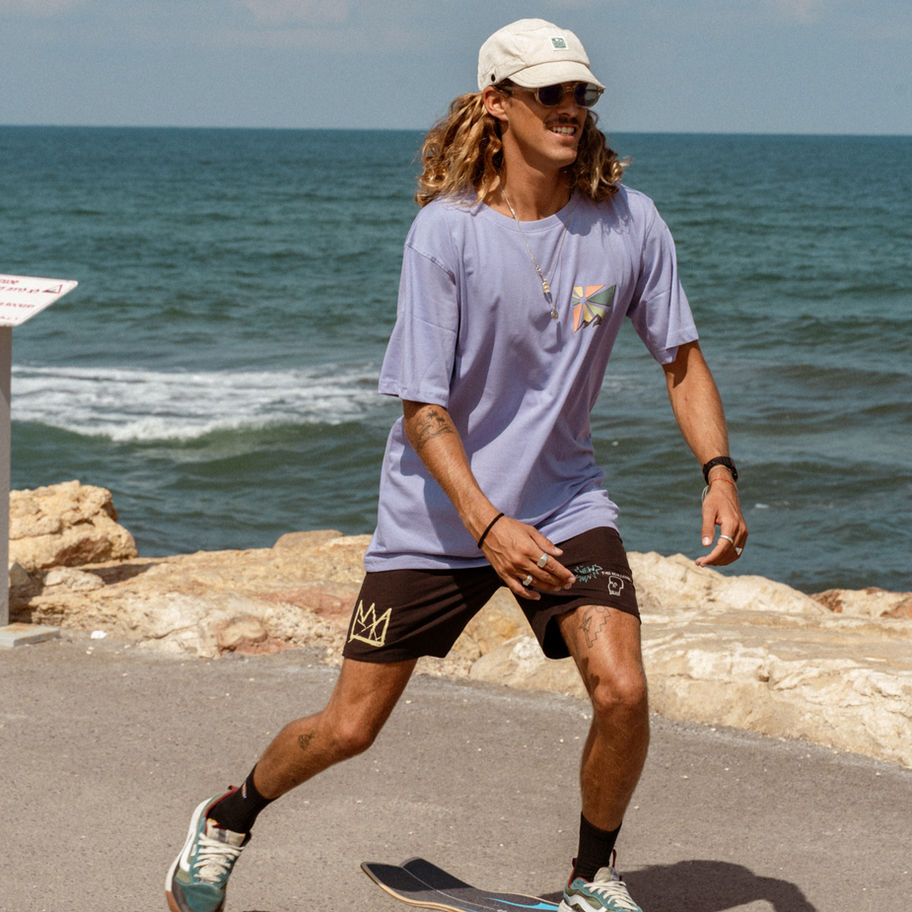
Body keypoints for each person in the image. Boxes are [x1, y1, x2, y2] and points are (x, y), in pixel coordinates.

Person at [165, 18, 747, 912]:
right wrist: (487, 524)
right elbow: (423, 409)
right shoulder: (447, 234)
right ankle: (228, 817)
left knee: (623, 690)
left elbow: (681, 359)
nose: (569, 108)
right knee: (349, 727)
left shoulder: (630, 222)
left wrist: (719, 472)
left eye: (581, 93)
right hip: (438, 516)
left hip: (564, 502)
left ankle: (592, 878)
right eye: (548, 92)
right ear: (497, 103)